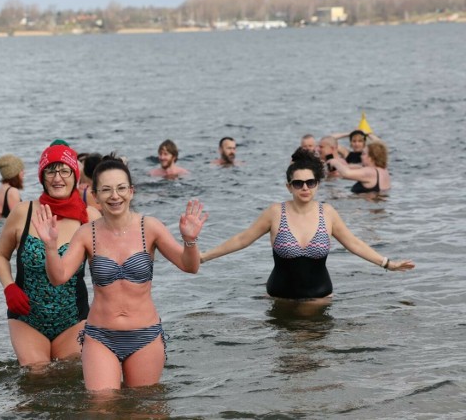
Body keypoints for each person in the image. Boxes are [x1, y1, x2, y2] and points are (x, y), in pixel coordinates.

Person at [32, 154, 208, 391]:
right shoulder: (86, 233)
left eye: (121, 188)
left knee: (143, 408)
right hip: (100, 336)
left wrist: (190, 240)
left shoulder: (150, 227)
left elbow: (190, 266)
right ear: (95, 195)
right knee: (102, 406)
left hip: (145, 335)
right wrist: (50, 248)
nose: (115, 196)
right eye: (106, 190)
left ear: (131, 191)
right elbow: (58, 277)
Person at [201, 148, 414, 303]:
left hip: (320, 300)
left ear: (317, 184)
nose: (305, 187)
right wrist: (202, 257)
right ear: (289, 187)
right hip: (280, 300)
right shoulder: (275, 212)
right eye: (298, 183)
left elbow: (353, 243)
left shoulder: (327, 213)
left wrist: (388, 263)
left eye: (310, 182)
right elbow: (241, 239)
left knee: (316, 359)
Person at [0, 140, 101, 370]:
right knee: (36, 374)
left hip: (73, 318)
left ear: (75, 176)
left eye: (64, 170)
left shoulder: (89, 217)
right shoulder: (24, 212)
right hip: (27, 317)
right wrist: (9, 287)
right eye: (51, 171)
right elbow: (0, 255)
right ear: (42, 177)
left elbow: (105, 266)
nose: (57, 177)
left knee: (71, 377)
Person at [0, 154, 25, 218]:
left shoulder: (1, 189)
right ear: (14, 174)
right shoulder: (12, 191)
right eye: (21, 170)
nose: (24, 173)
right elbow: (17, 219)